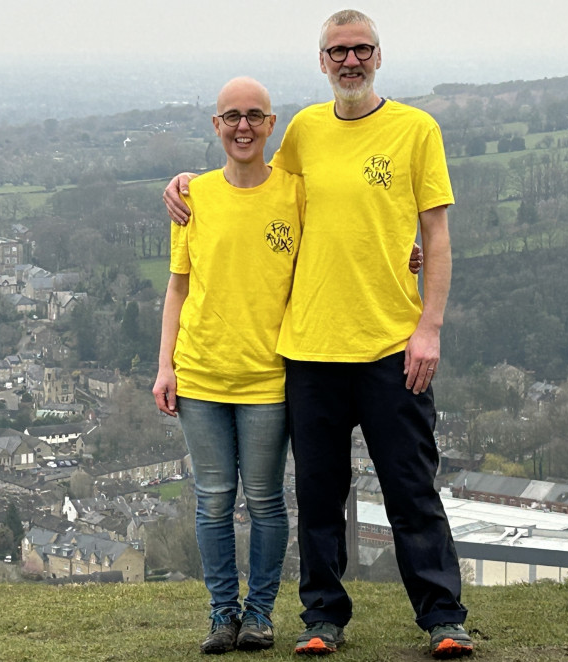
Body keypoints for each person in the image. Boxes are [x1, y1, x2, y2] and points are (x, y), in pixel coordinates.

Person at [164, 10, 472, 659]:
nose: (349, 60)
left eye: (360, 49)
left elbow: (436, 235)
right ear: (323, 60)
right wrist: (185, 185)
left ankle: (444, 618)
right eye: (338, 51)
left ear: (379, 56)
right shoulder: (302, 130)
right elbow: (255, 190)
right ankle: (321, 619)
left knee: (411, 489)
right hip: (307, 352)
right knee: (319, 497)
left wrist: (429, 327)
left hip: (392, 344)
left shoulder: (417, 130)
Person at [153, 76, 301, 654]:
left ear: (271, 124)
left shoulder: (296, 192)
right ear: (215, 126)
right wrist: (165, 367)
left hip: (269, 377)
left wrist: (405, 250)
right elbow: (177, 288)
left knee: (264, 499)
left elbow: (345, 240)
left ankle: (259, 614)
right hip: (201, 377)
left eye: (255, 115)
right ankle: (222, 615)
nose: (244, 126)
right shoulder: (194, 197)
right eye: (232, 116)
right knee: (212, 499)